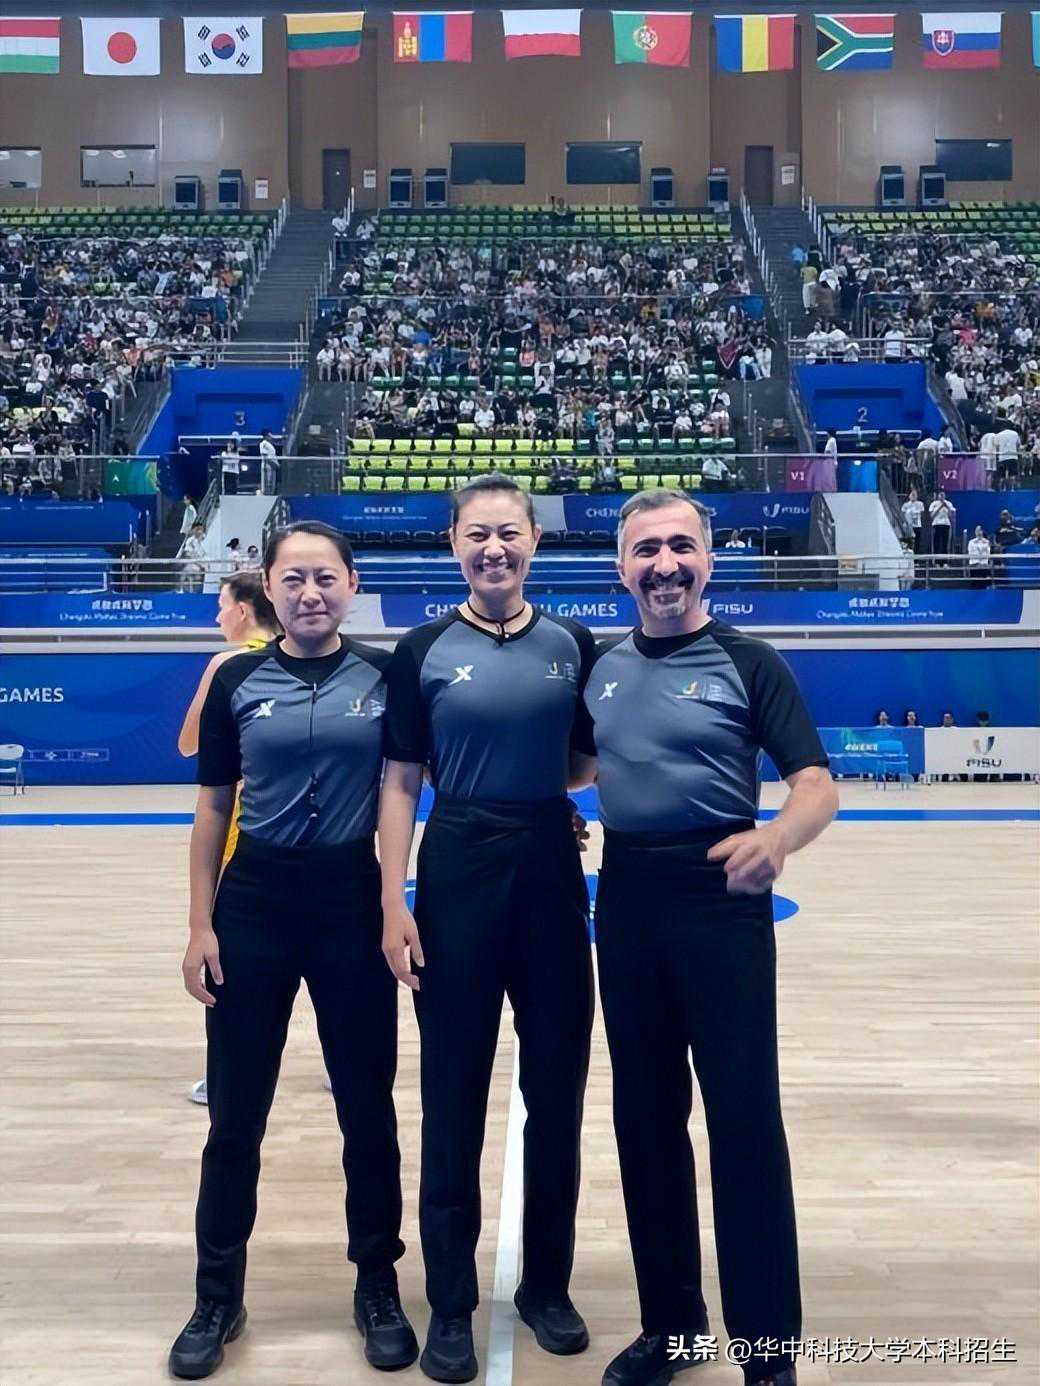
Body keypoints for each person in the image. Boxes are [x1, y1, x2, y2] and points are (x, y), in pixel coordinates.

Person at [583, 488, 837, 1386]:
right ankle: (671, 1327)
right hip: (628, 896)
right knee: (646, 1118)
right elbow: (578, 761)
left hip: (722, 897)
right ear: (622, 568)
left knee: (743, 1120)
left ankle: (768, 1350)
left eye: (681, 546)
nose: (665, 564)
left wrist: (778, 838)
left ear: (708, 560)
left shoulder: (749, 660)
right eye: (647, 549)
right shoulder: (600, 668)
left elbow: (816, 784)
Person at [169, 522, 418, 1380]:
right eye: (293, 579)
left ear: (352, 585)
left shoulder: (387, 676)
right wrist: (200, 925)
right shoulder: (237, 679)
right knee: (236, 1114)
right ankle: (216, 1295)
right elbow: (212, 808)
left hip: (349, 899)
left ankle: (378, 1284)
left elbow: (410, 787)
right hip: (256, 903)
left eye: (326, 577)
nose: (310, 593)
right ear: (268, 588)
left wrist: (393, 902)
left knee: (367, 1108)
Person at [378, 473, 597, 1383]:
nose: (494, 548)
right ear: (454, 545)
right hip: (457, 864)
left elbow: (584, 760)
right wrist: (392, 899)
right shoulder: (421, 649)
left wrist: (548, 802)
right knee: (454, 1095)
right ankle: (450, 1304)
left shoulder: (574, 643)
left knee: (557, 1094)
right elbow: (400, 779)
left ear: (535, 540)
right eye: (477, 534)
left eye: (509, 532)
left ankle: (546, 1286)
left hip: (547, 867)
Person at [177, 570, 281, 1107]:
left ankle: (224, 1075)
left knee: (234, 957)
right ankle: (343, 1067)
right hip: (312, 829)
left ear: (243, 610)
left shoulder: (227, 664)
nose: (218, 617)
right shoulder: (304, 656)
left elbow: (188, 744)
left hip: (246, 828)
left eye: (221, 606)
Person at [179, 522, 208, 594]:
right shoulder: (191, 540)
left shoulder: (203, 540)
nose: (199, 531)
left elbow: (203, 553)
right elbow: (188, 552)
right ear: (193, 530)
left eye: (201, 529)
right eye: (197, 529)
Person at [928, 490, 955, 555]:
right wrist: (940, 507)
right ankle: (936, 559)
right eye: (940, 495)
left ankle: (944, 559)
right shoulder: (934, 503)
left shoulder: (948, 503)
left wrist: (947, 507)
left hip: (946, 524)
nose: (942, 496)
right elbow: (932, 516)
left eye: (943, 495)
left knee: (945, 542)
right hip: (936, 524)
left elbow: (951, 515)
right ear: (938, 496)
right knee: (936, 542)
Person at [901, 487, 925, 552]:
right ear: (909, 496)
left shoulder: (920, 503)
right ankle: (908, 553)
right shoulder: (906, 505)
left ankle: (916, 555)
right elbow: (903, 514)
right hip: (908, 525)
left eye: (915, 495)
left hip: (917, 525)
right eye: (912, 494)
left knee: (917, 540)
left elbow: (922, 512)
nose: (913, 496)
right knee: (908, 540)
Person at [258, 430, 278, 496]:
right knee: (267, 482)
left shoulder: (271, 445)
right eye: (269, 435)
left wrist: (276, 464)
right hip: (267, 466)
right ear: (265, 436)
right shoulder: (263, 443)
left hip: (273, 466)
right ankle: (266, 495)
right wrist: (272, 463)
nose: (271, 437)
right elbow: (265, 456)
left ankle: (271, 494)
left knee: (272, 483)